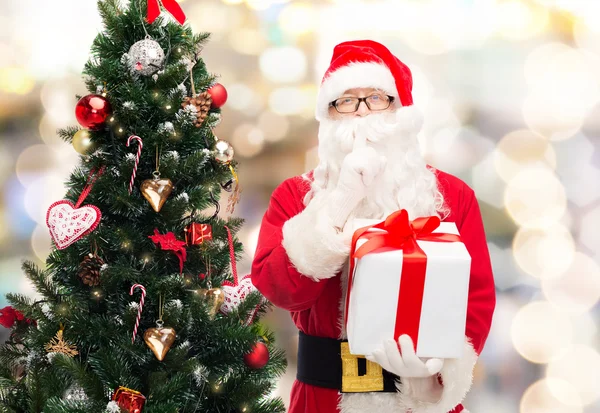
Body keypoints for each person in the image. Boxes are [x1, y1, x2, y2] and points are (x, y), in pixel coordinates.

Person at [251, 40, 496, 413]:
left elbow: (476, 300)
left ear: (400, 110)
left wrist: (434, 380)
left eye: (377, 98)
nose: (363, 113)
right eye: (346, 100)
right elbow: (281, 290)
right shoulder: (296, 195)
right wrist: (339, 202)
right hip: (322, 400)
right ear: (329, 115)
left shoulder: (451, 196)